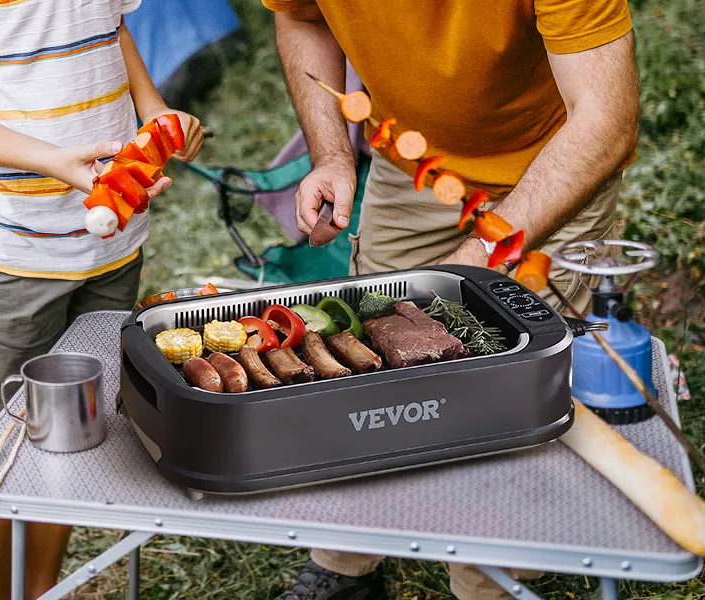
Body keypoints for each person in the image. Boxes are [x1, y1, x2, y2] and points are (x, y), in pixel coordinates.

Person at [264, 0, 639, 598]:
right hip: (411, 169)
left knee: (505, 393)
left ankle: (491, 584)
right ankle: (348, 561)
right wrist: (334, 155)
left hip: (549, 169)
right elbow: (302, 17)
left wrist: (478, 257)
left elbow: (606, 121)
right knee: (361, 364)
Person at [0, 1, 205, 598]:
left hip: (111, 240)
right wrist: (50, 162)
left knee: (69, 427)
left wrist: (154, 113)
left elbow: (109, 27)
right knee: (2, 443)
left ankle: (38, 592)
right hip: (11, 252)